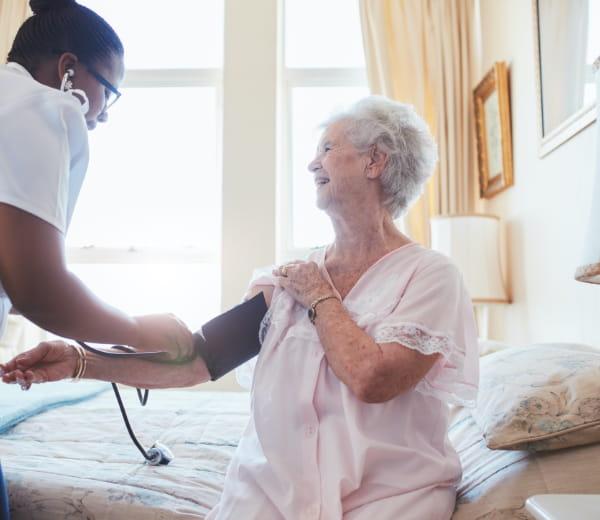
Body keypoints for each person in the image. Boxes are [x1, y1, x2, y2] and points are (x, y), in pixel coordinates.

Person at [1, 95, 479, 519]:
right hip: (271, 496)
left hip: (389, 498)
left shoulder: (430, 276)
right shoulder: (285, 281)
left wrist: (319, 296)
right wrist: (79, 362)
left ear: (375, 160)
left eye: (328, 149)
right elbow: (197, 360)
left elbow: (373, 379)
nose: (313, 163)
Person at [0, 1, 193, 514]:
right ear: (68, 69)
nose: (103, 113)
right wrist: (139, 331)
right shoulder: (43, 107)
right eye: (109, 92)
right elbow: (37, 289)